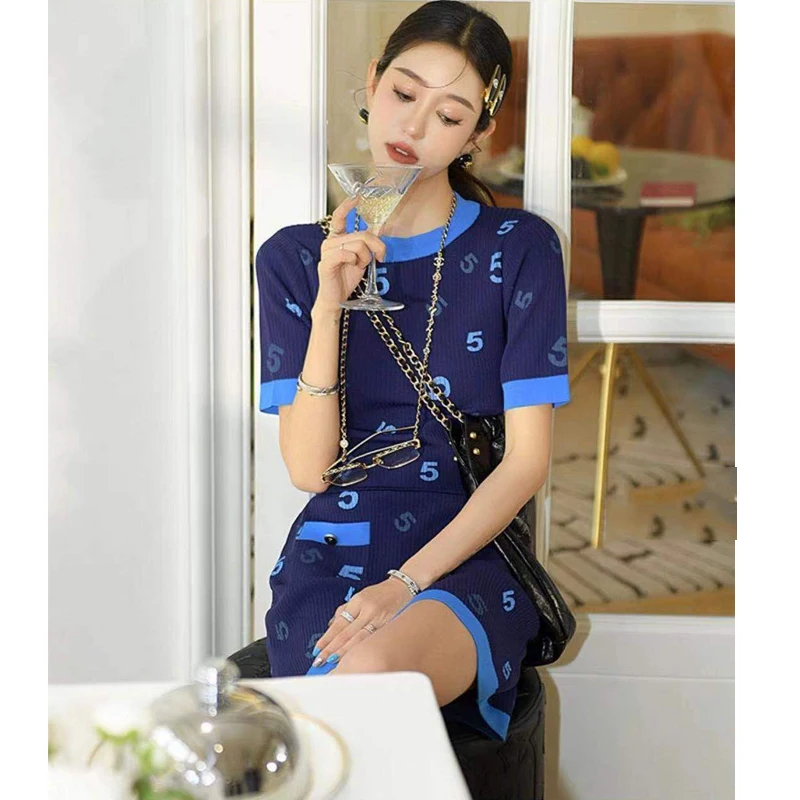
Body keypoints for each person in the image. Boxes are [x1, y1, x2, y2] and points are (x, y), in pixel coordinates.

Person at [256, 0, 570, 742]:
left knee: (366, 681)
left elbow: (526, 463)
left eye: (450, 114)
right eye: (403, 93)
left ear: (478, 134)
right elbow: (308, 469)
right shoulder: (293, 258)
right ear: (373, 82)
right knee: (344, 713)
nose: (414, 126)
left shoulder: (519, 247)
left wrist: (405, 583)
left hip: (466, 547)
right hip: (333, 547)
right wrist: (329, 305)